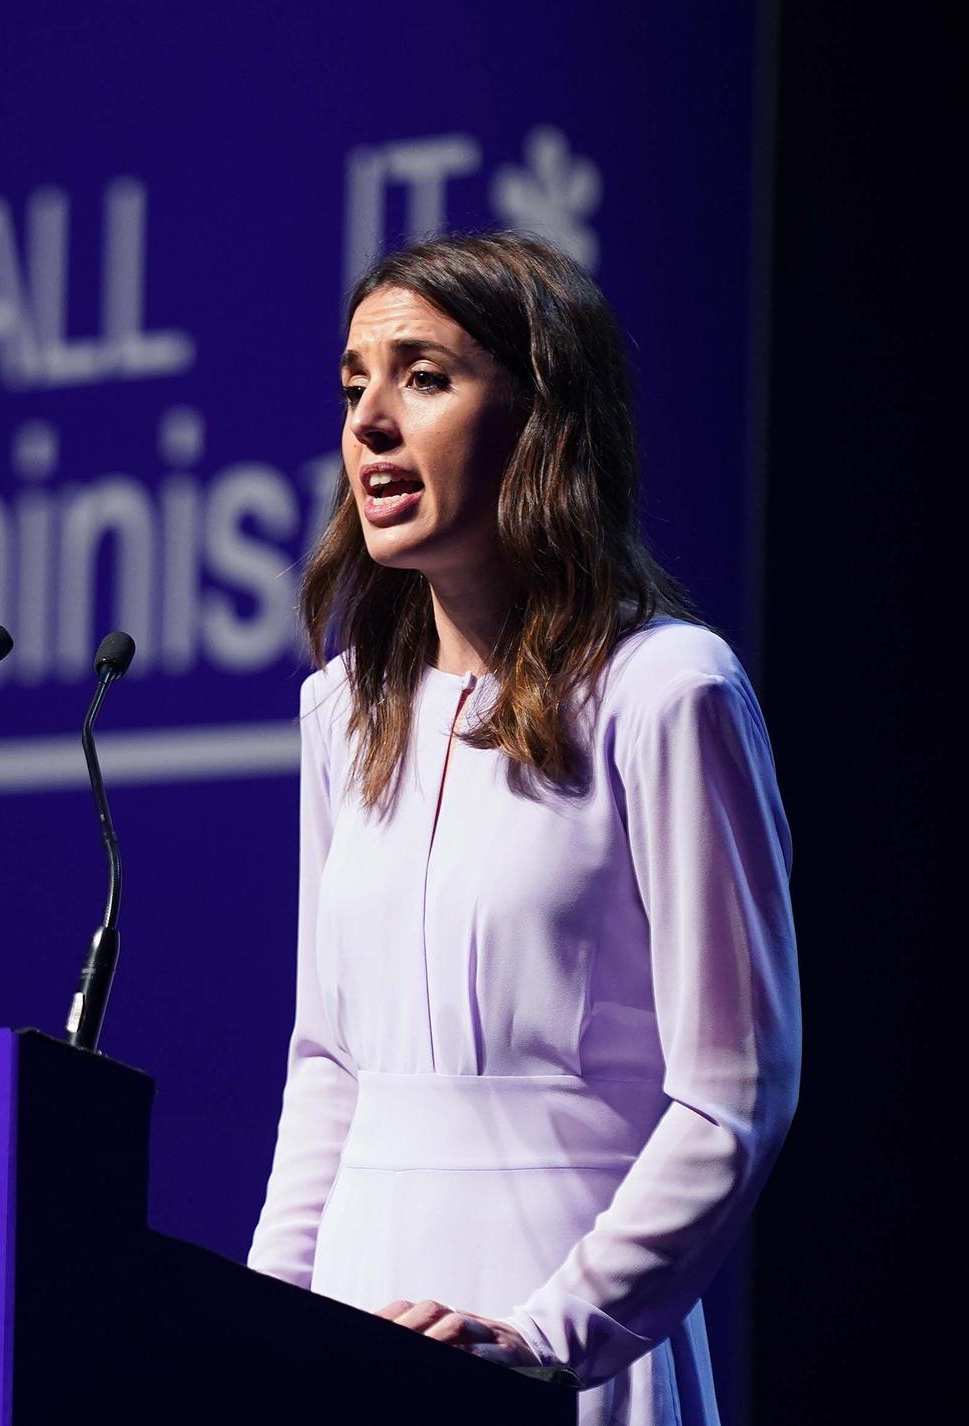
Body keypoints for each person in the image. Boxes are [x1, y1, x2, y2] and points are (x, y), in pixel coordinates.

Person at [246, 231, 800, 1426]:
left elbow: (733, 1092)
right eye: (353, 386)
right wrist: (258, 1335)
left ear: (542, 416)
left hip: (566, 1338)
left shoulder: (666, 689)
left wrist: (551, 1336)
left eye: (423, 377)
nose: (369, 423)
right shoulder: (340, 713)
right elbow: (328, 1070)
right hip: (351, 1327)